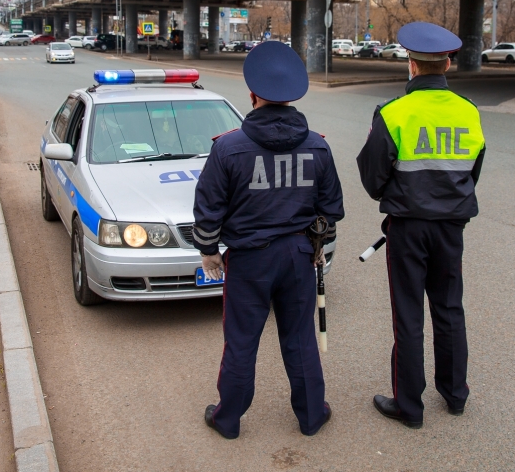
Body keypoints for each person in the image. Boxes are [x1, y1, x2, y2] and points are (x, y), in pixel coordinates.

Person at [193, 41, 344, 439]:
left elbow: (208, 207)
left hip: (249, 260)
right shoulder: (318, 145)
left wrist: (209, 251)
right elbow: (331, 209)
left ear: (253, 96)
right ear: (293, 96)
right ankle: (312, 416)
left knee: (241, 341)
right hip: (298, 256)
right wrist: (319, 247)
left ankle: (228, 421)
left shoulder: (227, 148)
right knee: (300, 340)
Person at [356, 22, 486, 429]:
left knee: (409, 314)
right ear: (447, 63)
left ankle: (409, 407)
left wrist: (396, 196)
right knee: (449, 308)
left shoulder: (393, 113)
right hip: (451, 228)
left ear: (410, 66)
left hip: (408, 228)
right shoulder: (469, 111)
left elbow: (372, 176)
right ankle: (455, 394)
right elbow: (472, 170)